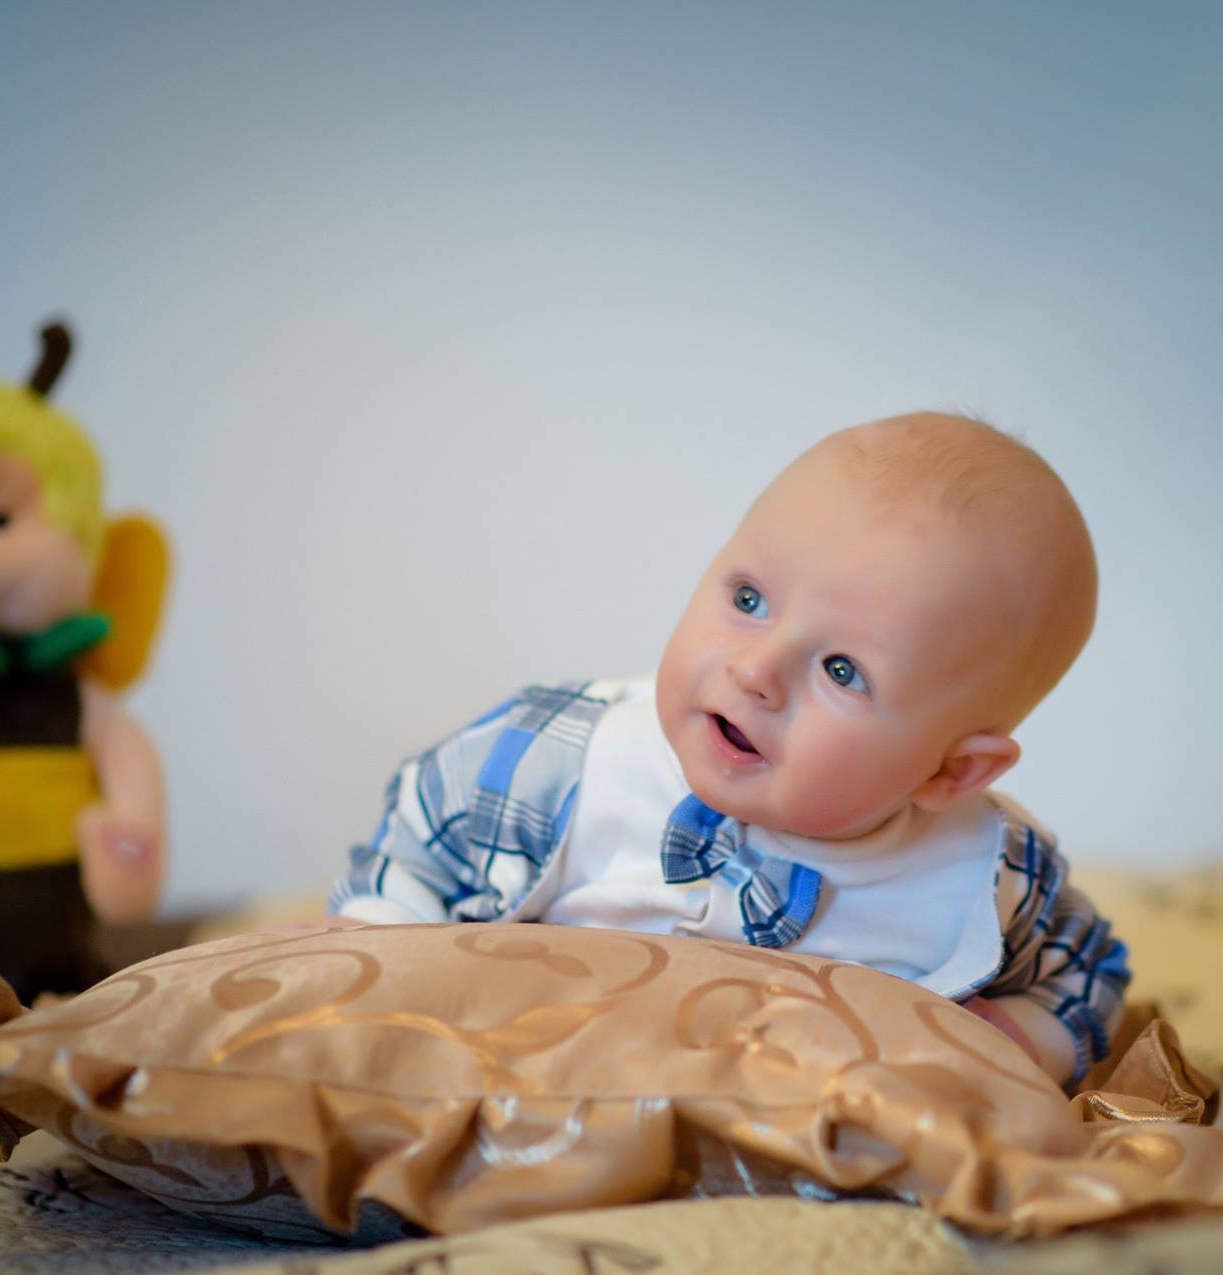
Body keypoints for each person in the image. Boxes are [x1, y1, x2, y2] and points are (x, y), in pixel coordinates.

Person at [329, 412, 1127, 1089]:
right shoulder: (560, 752)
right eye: (748, 600)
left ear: (952, 771)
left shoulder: (989, 879)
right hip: (524, 1090)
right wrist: (382, 942)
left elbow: (1088, 977)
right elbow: (422, 832)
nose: (754, 671)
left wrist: (1006, 1048)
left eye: (841, 671)